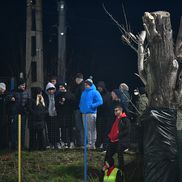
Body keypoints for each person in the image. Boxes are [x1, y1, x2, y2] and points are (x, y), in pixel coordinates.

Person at [104, 105, 130, 171]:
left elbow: (127, 130)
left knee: (119, 155)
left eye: (116, 110)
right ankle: (109, 168)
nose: (115, 112)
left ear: (120, 111)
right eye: (114, 110)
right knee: (108, 155)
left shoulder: (125, 119)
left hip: (120, 141)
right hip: (113, 140)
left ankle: (122, 170)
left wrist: (119, 134)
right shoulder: (115, 119)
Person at [79, 77, 103, 149]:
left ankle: (93, 143)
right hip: (84, 113)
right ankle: (89, 143)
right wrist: (81, 107)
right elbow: (81, 101)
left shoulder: (95, 92)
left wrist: (92, 106)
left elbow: (100, 101)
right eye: (85, 84)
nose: (86, 85)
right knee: (86, 128)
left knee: (92, 128)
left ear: (90, 84)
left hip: (91, 113)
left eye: (87, 84)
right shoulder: (84, 92)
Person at [10, 78, 30, 150]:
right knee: (14, 130)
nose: (23, 87)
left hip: (23, 114)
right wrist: (11, 99)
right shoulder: (13, 92)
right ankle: (13, 146)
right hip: (15, 114)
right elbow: (9, 100)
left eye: (24, 85)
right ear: (19, 86)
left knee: (23, 130)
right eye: (22, 85)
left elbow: (28, 102)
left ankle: (22, 146)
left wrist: (27, 110)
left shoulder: (26, 93)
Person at [55, 82, 75, 149]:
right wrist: (60, 103)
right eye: (60, 87)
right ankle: (64, 142)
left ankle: (71, 142)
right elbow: (56, 105)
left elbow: (73, 103)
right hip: (61, 114)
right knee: (63, 128)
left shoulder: (70, 94)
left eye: (62, 87)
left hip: (69, 114)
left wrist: (66, 100)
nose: (61, 88)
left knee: (70, 128)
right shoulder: (58, 95)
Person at [69, 73, 85, 147]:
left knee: (79, 126)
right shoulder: (81, 86)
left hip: (78, 109)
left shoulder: (81, 87)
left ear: (78, 79)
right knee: (79, 126)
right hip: (79, 108)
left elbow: (79, 98)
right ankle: (80, 142)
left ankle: (81, 143)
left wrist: (72, 96)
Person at [96, 81, 111, 150]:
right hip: (99, 115)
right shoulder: (97, 94)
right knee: (99, 130)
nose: (99, 88)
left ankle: (105, 145)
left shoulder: (108, 95)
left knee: (106, 131)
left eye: (100, 87)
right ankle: (98, 144)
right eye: (98, 87)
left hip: (107, 116)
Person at [44, 82, 57, 149]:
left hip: (55, 115)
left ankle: (55, 143)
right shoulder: (45, 97)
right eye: (49, 89)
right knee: (49, 130)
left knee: (55, 129)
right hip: (48, 115)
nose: (51, 91)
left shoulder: (56, 96)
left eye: (52, 89)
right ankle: (50, 143)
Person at [0, 83, 9, 149]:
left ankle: (5, 145)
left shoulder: (7, 96)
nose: (1, 89)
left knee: (5, 131)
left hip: (5, 116)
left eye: (2, 88)